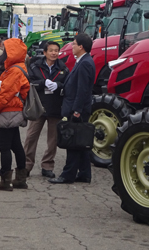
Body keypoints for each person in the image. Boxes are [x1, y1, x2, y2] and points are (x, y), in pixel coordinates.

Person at [49, 33, 95, 184]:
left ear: (81, 47)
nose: (72, 46)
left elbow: (83, 90)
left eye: (74, 44)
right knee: (80, 142)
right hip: (75, 106)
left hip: (76, 109)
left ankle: (67, 175)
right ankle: (84, 174)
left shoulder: (85, 63)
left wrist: (76, 110)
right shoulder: (82, 61)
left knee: (73, 141)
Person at [0, 38, 30, 191]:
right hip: (15, 110)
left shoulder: (13, 71)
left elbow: (4, 95)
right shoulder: (18, 67)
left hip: (8, 111)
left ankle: (5, 180)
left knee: (4, 146)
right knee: (16, 145)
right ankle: (20, 179)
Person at [23, 41, 69, 178]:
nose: (54, 53)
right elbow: (29, 83)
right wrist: (43, 83)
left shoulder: (63, 68)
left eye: (56, 50)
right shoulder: (35, 66)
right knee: (31, 137)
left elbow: (67, 85)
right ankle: (26, 165)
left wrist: (59, 85)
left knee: (53, 139)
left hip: (55, 106)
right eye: (51, 50)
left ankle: (47, 166)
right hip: (38, 106)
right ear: (45, 52)